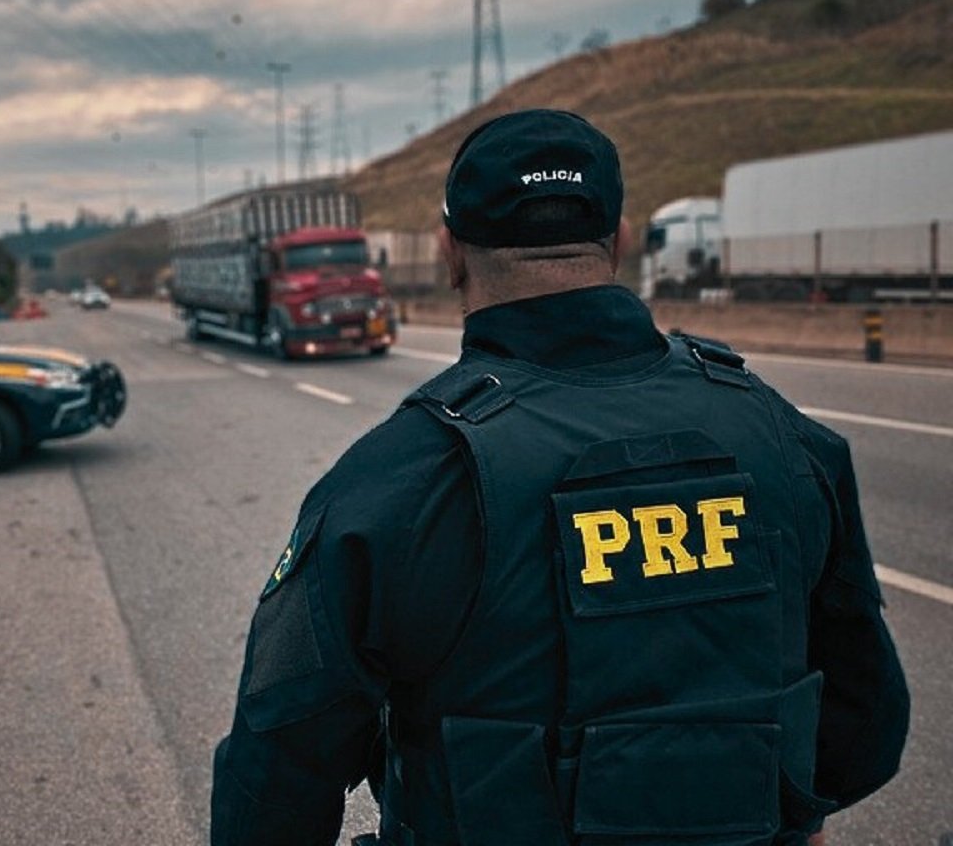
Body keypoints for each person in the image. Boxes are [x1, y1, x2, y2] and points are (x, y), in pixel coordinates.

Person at [210, 109, 909, 846]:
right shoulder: (782, 435)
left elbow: (276, 778)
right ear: (622, 238)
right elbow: (864, 729)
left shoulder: (397, 481)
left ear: (450, 252)